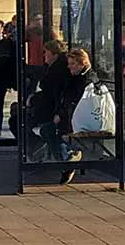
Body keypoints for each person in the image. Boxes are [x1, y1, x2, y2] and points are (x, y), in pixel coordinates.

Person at [39, 47, 98, 184]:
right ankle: (67, 160)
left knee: (48, 130)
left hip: (79, 119)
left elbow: (75, 102)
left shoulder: (85, 80)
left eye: (72, 64)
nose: (68, 66)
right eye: (69, 63)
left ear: (82, 63)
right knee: (47, 128)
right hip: (73, 116)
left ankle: (67, 160)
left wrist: (60, 114)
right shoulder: (78, 77)